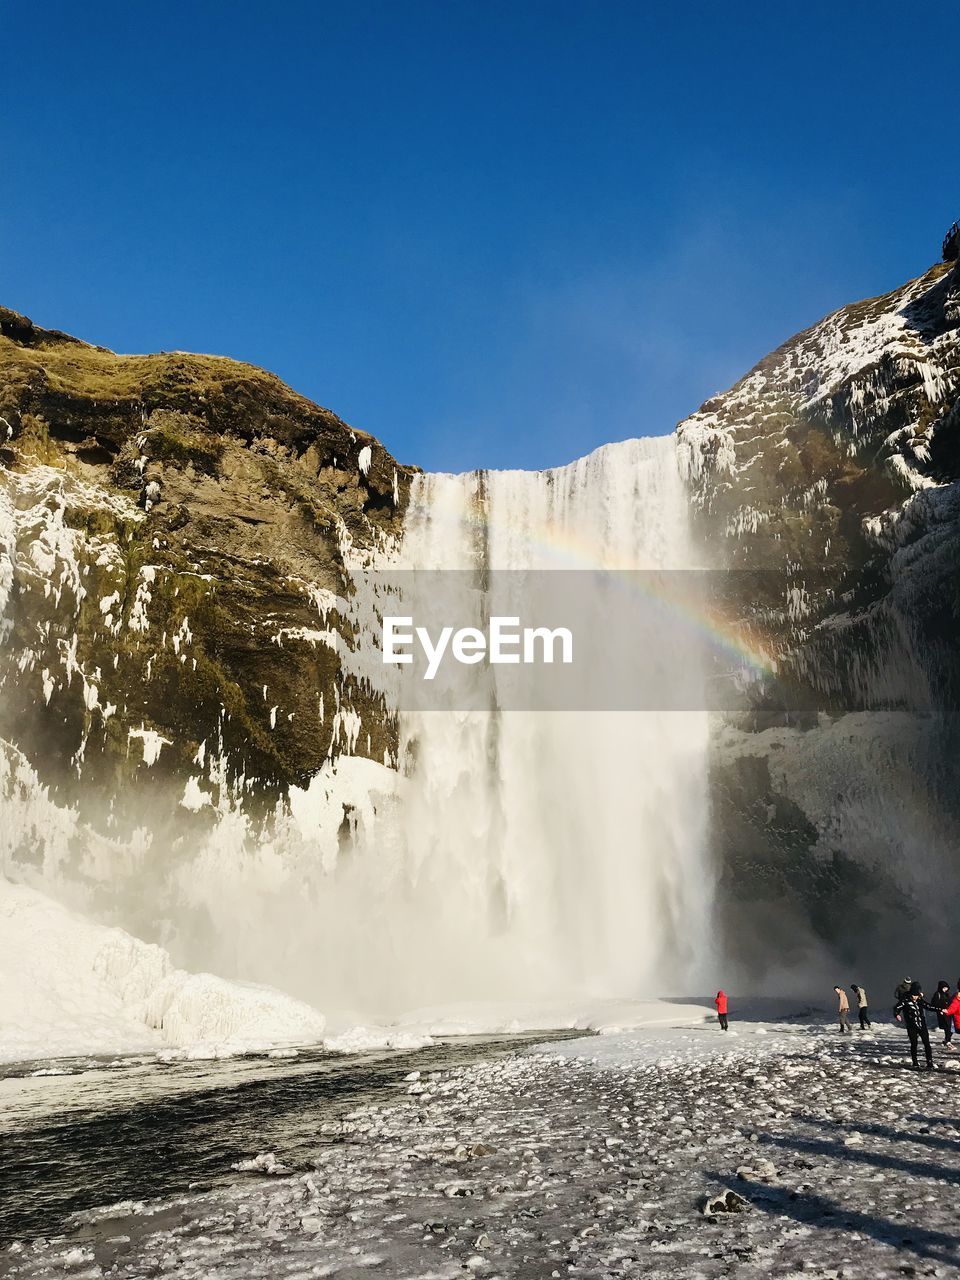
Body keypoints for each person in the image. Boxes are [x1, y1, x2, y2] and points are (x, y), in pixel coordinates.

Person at [894, 981, 937, 1070]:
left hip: (922, 1025)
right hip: (911, 1026)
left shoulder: (919, 1000)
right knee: (914, 1044)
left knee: (927, 1043)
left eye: (917, 995)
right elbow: (897, 1007)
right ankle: (915, 1062)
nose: (915, 997)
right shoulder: (905, 1000)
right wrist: (896, 1014)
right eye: (914, 995)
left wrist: (940, 1009)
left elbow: (928, 1006)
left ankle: (929, 1062)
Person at [931, 980, 954, 1046]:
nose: (945, 989)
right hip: (942, 1013)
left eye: (946, 988)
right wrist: (940, 1009)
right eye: (944, 988)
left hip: (948, 1013)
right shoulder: (937, 994)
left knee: (950, 1027)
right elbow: (934, 1004)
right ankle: (947, 1040)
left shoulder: (947, 994)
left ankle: (947, 1040)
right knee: (947, 1027)